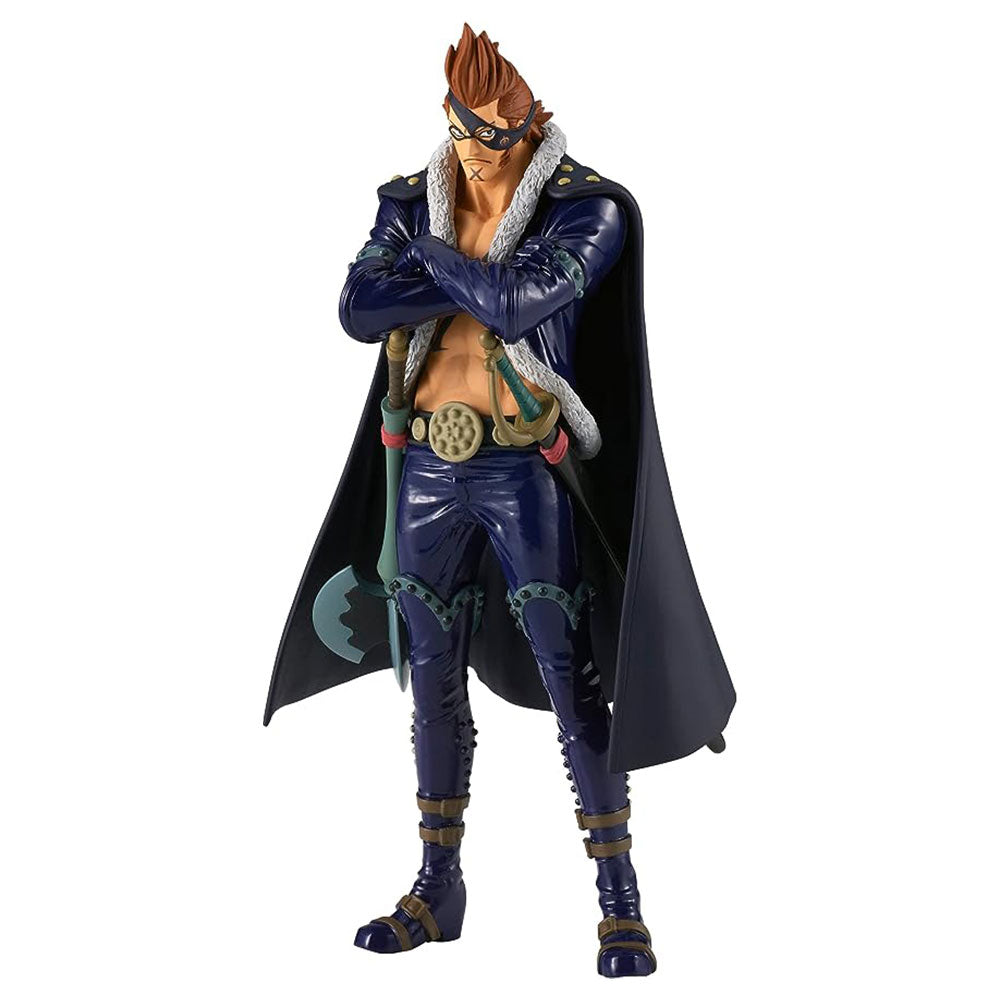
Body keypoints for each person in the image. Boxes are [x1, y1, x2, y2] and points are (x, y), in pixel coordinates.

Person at [264, 24, 736, 978]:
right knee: (430, 676)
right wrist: (464, 274)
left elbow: (517, 305)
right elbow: (356, 311)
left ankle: (620, 904)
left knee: (572, 676)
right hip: (426, 468)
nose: (478, 151)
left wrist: (431, 265)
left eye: (495, 133)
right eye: (464, 130)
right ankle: (437, 887)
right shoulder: (410, 198)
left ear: (527, 124)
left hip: (526, 467)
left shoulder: (586, 209)